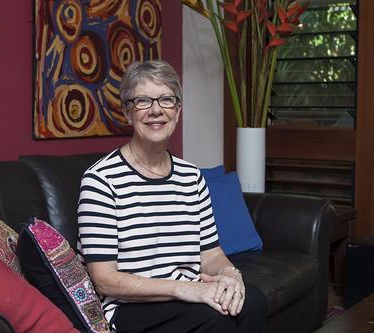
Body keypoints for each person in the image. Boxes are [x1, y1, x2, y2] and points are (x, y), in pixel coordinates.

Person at [77, 60, 266, 332]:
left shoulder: (191, 177)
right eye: (143, 101)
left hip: (187, 296)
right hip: (130, 308)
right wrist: (186, 290)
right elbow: (105, 279)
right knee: (217, 320)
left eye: (166, 100)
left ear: (177, 110)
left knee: (253, 301)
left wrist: (230, 276)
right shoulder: (101, 180)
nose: (156, 110)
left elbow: (210, 253)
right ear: (127, 112)